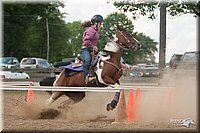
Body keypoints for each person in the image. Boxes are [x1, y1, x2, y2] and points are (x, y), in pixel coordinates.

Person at [80, 14, 103, 84]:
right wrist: (93, 46)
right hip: (85, 49)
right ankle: (86, 76)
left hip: (91, 50)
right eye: (100, 23)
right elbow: (86, 41)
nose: (101, 25)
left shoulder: (95, 31)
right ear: (96, 23)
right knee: (87, 60)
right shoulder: (91, 30)